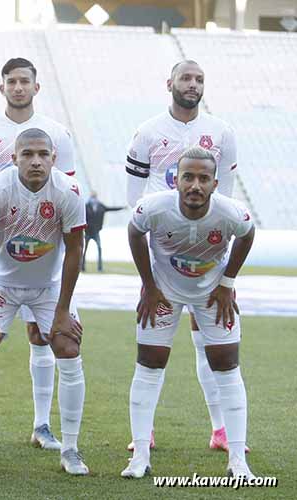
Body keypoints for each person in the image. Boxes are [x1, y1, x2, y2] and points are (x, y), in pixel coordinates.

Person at [0, 57, 77, 450]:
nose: (19, 87)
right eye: (12, 81)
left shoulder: (57, 133)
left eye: (25, 81)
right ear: (2, 86)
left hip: (42, 253)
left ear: (36, 87)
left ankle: (42, 424)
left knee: (42, 336)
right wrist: (3, 226)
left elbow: (64, 194)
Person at [125, 60, 243, 453]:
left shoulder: (222, 132)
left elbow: (226, 197)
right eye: (186, 78)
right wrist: (150, 272)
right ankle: (144, 432)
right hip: (163, 249)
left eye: (199, 79)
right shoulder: (147, 132)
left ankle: (220, 430)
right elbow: (135, 201)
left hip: (208, 249)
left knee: (208, 340)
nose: (193, 84)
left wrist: (223, 268)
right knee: (153, 345)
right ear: (170, 83)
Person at [121, 146, 255, 480]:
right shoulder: (153, 207)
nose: (195, 185)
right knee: (150, 363)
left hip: (212, 293)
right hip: (164, 291)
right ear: (176, 180)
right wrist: (149, 285)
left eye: (203, 179)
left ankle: (238, 461)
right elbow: (135, 232)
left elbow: (248, 233)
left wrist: (227, 282)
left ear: (215, 184)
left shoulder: (231, 213)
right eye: (188, 177)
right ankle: (140, 457)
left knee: (227, 365)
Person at [82, 191, 124, 272]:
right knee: (84, 250)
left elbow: (111, 209)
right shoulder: (86, 206)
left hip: (96, 232)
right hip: (87, 232)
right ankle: (82, 267)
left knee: (99, 248)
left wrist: (122, 208)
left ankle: (100, 268)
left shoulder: (100, 206)